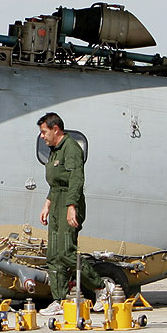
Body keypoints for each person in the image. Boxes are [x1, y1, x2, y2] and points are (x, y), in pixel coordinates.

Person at [36, 113, 112, 317]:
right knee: (54, 254)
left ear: (56, 129)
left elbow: (76, 180)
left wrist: (71, 206)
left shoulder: (71, 149)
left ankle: (101, 288)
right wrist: (47, 205)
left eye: (44, 132)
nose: (42, 136)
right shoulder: (54, 152)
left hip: (70, 203)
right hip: (57, 203)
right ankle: (59, 300)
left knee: (67, 252)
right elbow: (56, 183)